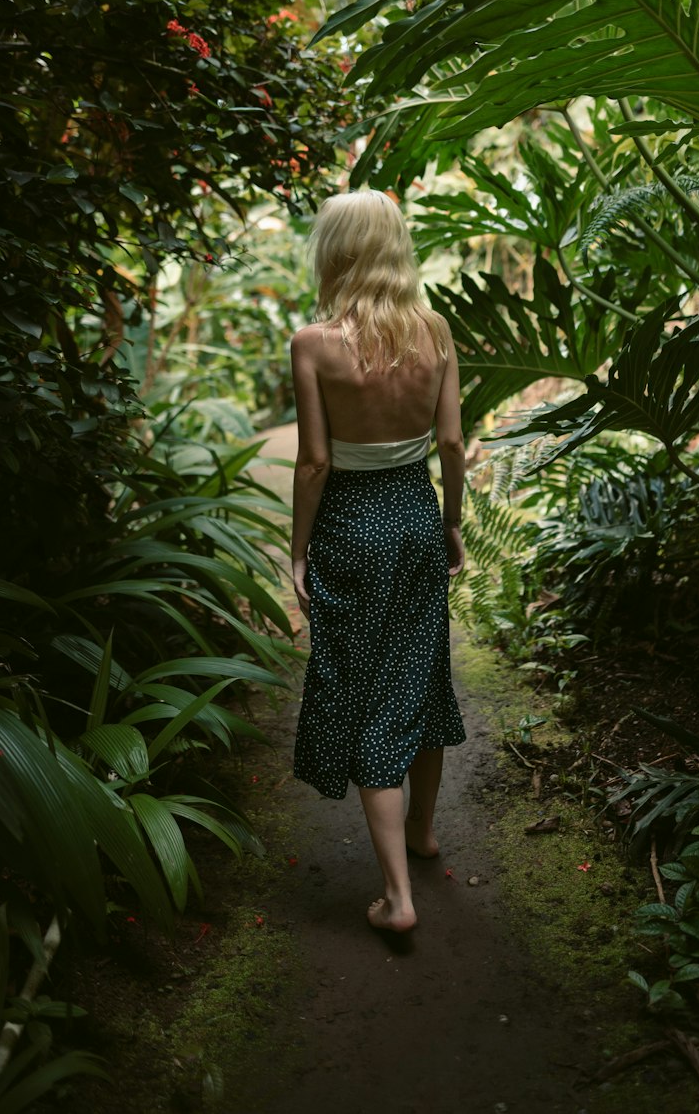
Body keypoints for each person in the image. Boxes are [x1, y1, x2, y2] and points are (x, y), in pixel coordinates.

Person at [290, 189, 467, 933]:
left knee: (365, 693)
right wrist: (452, 523)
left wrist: (298, 551)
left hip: (351, 524)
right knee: (419, 671)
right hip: (415, 515)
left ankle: (398, 897)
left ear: (335, 251)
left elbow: (315, 462)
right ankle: (421, 833)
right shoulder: (434, 332)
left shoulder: (314, 343)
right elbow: (453, 445)